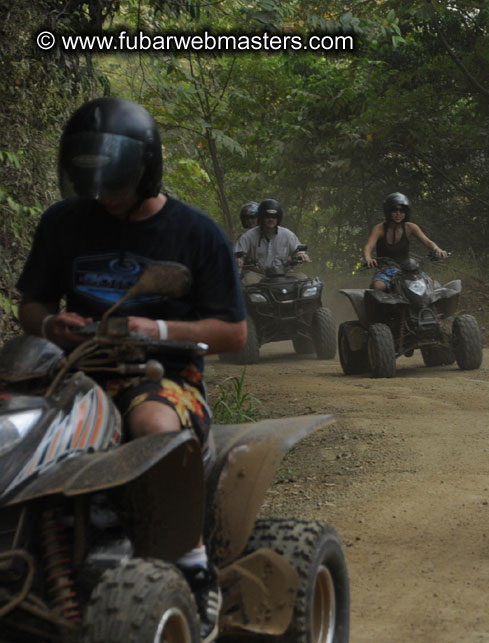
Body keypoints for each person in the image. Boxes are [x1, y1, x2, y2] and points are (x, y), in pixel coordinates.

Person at [15, 97, 246, 643]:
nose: (105, 198)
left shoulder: (196, 233)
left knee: (152, 427)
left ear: (148, 171)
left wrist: (159, 331)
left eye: (115, 187)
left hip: (163, 376)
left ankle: (192, 566)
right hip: (71, 371)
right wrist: (53, 326)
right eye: (94, 187)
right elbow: (32, 305)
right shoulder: (64, 223)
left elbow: (234, 333)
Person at [363, 192, 447, 291]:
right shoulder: (379, 228)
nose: (398, 214)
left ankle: (433, 307)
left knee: (430, 283)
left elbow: (427, 242)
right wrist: (368, 258)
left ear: (406, 212)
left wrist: (437, 249)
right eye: (395, 210)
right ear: (388, 211)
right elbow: (368, 247)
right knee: (378, 287)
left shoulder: (410, 227)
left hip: (408, 269)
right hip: (385, 269)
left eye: (402, 211)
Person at [234, 199, 310, 281]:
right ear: (261, 218)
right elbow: (237, 254)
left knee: (304, 280)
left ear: (278, 218)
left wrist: (301, 255)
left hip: (283, 273)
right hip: (257, 274)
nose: (271, 219)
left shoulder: (287, 234)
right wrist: (238, 260)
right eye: (267, 217)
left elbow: (298, 250)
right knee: (248, 281)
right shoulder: (248, 236)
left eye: (274, 217)